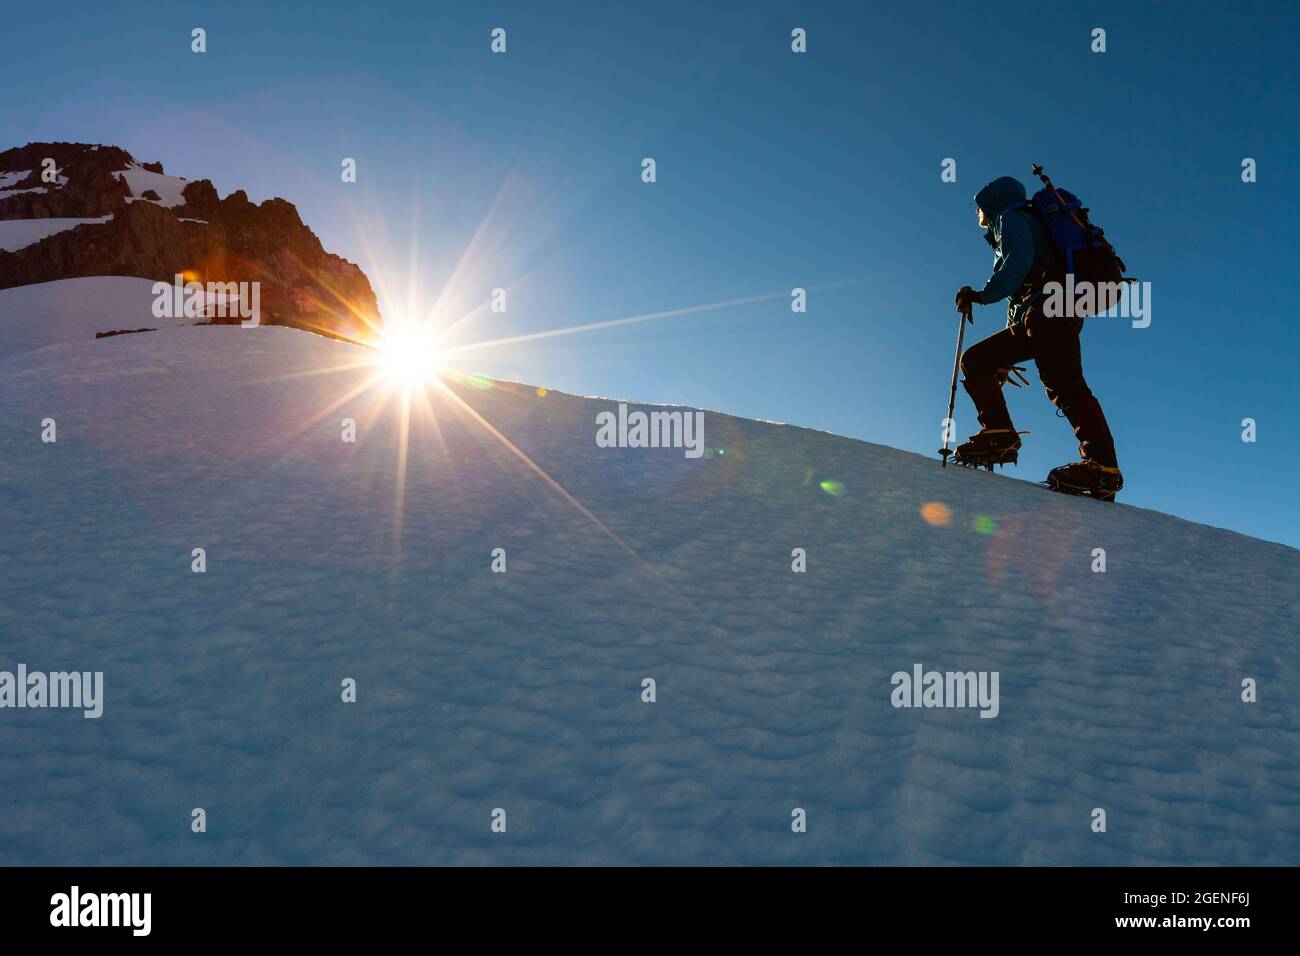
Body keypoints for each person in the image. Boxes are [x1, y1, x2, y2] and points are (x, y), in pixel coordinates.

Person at [953, 175, 1123, 500]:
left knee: (1064, 382)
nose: (977, 215)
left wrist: (980, 295)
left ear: (992, 203)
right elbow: (1019, 293)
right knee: (976, 361)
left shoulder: (1013, 218)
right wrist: (1004, 354)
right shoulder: (1012, 226)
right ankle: (999, 433)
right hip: (1046, 311)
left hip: (1051, 309)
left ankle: (1103, 466)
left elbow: (1016, 265)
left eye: (979, 208)